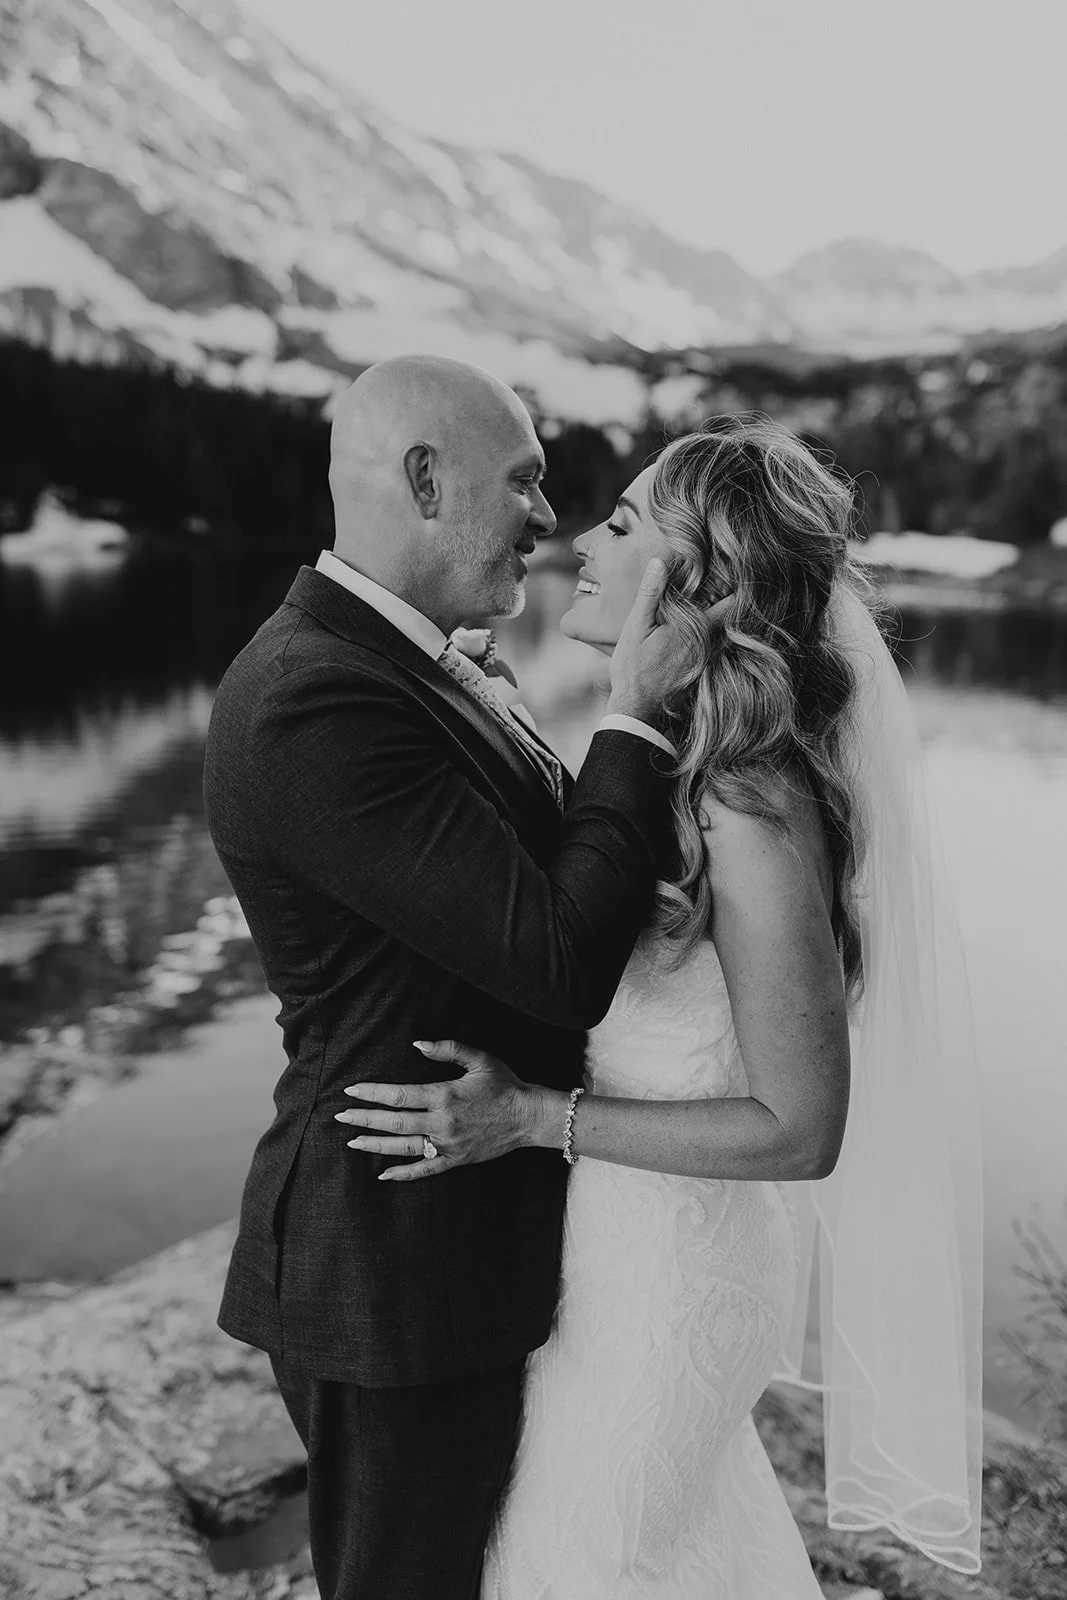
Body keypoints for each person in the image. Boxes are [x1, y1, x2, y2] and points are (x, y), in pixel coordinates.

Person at [341, 416, 985, 1596]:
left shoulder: (747, 801)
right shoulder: (684, 759)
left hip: (672, 1283)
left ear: (696, 574)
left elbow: (799, 1127)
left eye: (624, 522)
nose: (580, 535)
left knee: (576, 1564)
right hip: (617, 1258)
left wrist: (537, 1117)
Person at [202, 354, 695, 1600]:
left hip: (469, 1241)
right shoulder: (311, 696)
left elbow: (541, 880)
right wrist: (633, 714)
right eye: (522, 480)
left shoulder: (425, 659)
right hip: (391, 1264)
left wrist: (655, 869)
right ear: (425, 480)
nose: (546, 515)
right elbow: (552, 960)